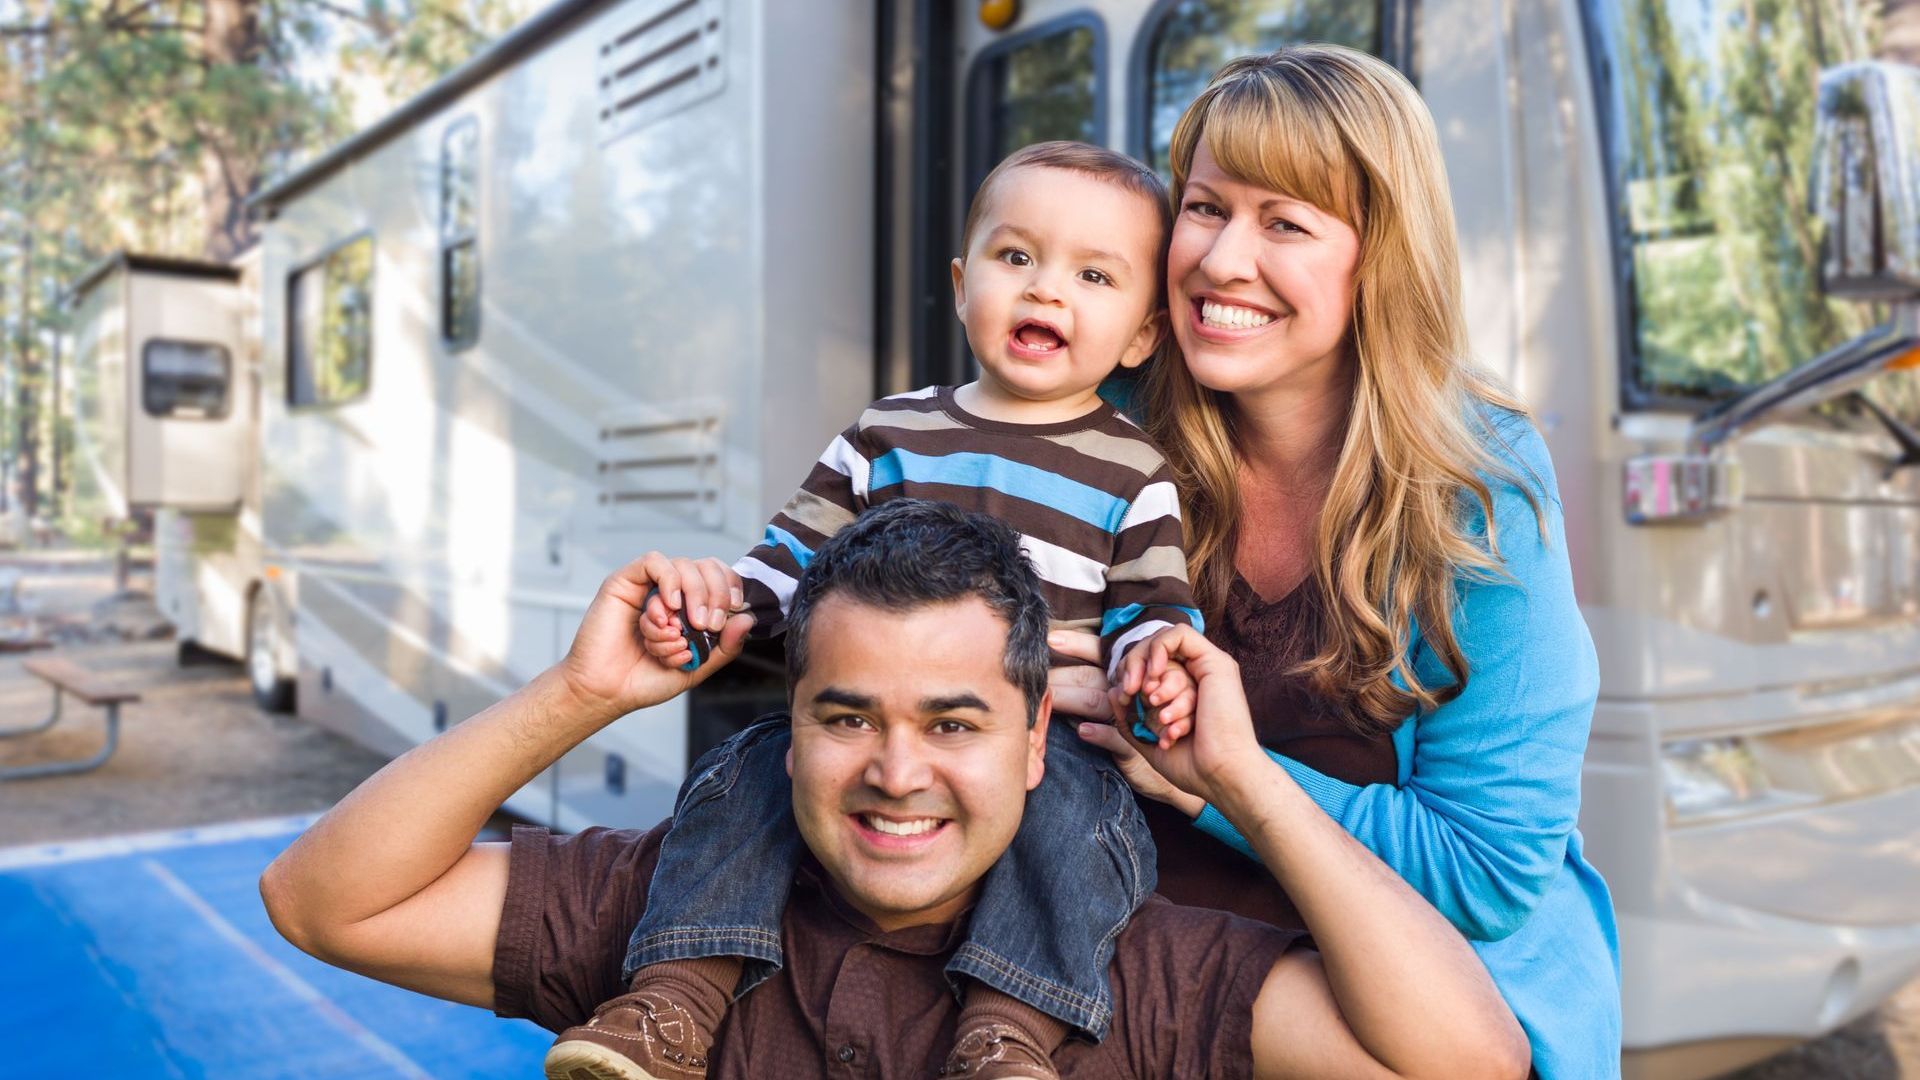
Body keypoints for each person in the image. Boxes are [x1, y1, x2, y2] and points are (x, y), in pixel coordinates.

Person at [259, 499, 1530, 1080]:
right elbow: (324, 900)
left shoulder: (1129, 975)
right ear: (791, 725)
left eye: (954, 722)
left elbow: (1468, 1062)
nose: (897, 772)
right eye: (848, 716)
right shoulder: (670, 917)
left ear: (1039, 740)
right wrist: (582, 694)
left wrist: (1243, 785)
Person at [1061, 46, 1622, 1079]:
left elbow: (1486, 868)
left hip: (1400, 1011)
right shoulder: (1099, 430)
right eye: (1204, 207)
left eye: (1285, 223)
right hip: (1132, 974)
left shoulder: (1476, 483)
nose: (1223, 261)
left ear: (1380, 256)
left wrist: (1212, 784)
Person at [588, 141, 1205, 1078]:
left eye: (1092, 274)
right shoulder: (888, 434)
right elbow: (789, 564)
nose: (1045, 291)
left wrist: (1156, 663)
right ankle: (674, 1001)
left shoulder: (1135, 474)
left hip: (1047, 752)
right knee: (746, 773)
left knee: (1082, 831)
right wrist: (716, 606)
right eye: (1016, 258)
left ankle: (1008, 1037)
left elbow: (1155, 614)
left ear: (1140, 337)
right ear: (964, 286)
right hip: (878, 720)